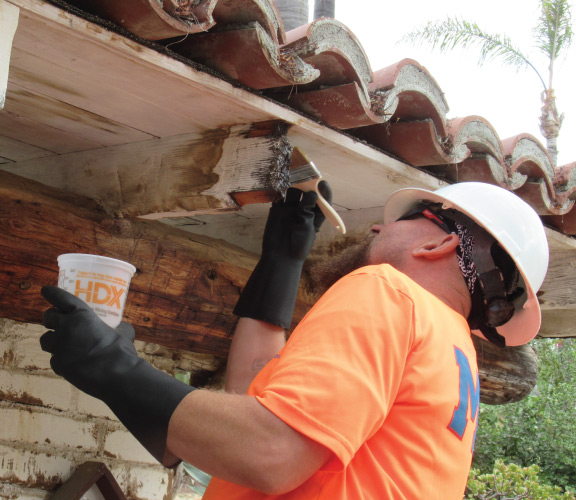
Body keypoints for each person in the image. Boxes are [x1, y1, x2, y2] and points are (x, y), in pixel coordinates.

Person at [39, 181, 549, 499]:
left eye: (400, 221)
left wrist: (113, 367)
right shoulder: (448, 346)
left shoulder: (392, 294)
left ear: (439, 243)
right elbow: (256, 401)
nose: (376, 225)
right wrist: (281, 263)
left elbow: (271, 451)